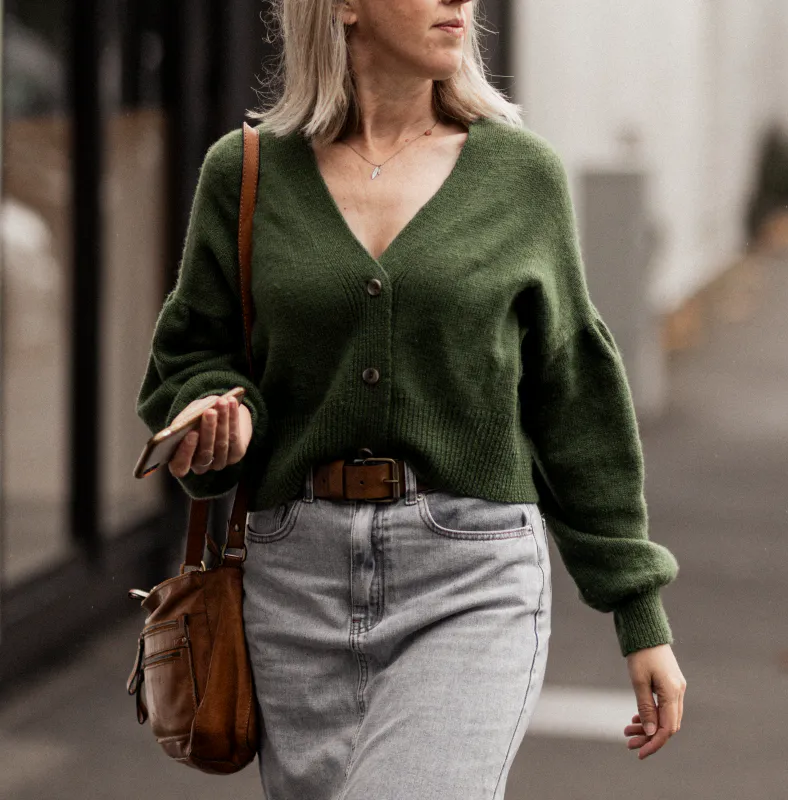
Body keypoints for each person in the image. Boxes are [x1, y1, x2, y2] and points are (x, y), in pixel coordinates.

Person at [136, 1, 686, 797]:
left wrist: (640, 611)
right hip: (294, 584)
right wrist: (223, 412)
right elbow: (189, 354)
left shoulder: (522, 176)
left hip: (469, 576)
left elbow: (574, 397)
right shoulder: (246, 170)